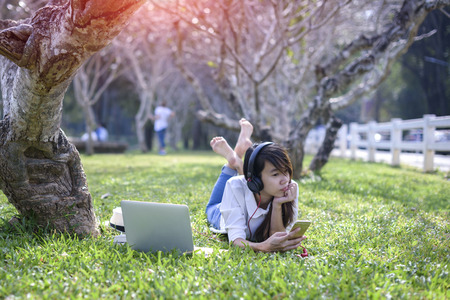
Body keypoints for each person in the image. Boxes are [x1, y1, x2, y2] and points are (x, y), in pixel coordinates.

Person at [206, 119, 306, 253]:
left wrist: (277, 205)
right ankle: (233, 163)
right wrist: (264, 247)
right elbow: (236, 242)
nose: (285, 180)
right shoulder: (235, 186)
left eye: (286, 171)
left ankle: (236, 157)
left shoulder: (290, 187)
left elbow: (277, 236)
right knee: (211, 208)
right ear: (255, 180)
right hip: (220, 212)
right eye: (275, 174)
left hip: (247, 183)